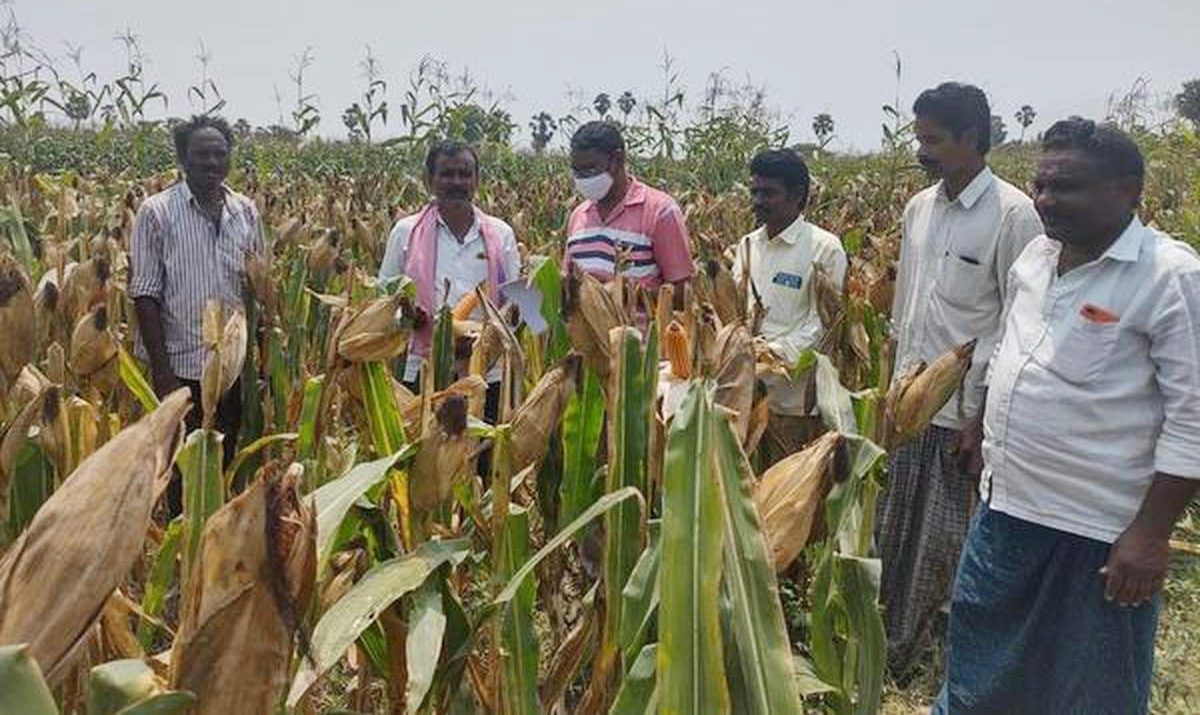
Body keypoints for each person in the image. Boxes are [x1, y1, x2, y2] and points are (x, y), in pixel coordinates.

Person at [934, 118, 1200, 714]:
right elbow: (1014, 347)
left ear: (1129, 191)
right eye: (1042, 185)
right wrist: (979, 420)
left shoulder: (1170, 276)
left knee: (1088, 690)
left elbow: (1193, 419)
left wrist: (1150, 535)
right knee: (979, 671)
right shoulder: (1035, 257)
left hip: (1096, 532)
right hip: (1005, 511)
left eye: (1067, 187)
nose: (1047, 200)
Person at [876, 82, 1043, 676]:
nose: (921, 151)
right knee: (890, 528)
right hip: (907, 401)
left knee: (939, 540)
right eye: (919, 138)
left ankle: (914, 651)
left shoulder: (1015, 215)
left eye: (933, 140)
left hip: (962, 411)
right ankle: (882, 640)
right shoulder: (918, 209)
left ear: (971, 137)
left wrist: (982, 417)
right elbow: (905, 307)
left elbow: (1021, 322)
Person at [130, 115, 261, 490]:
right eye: (201, 155)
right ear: (183, 159)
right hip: (182, 368)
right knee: (180, 477)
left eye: (219, 154)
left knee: (225, 465)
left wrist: (260, 361)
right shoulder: (157, 212)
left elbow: (256, 288)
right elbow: (145, 294)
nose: (211, 162)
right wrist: (162, 373)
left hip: (233, 368)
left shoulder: (245, 212)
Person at [378, 139, 521, 401]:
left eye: (464, 174)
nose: (456, 182)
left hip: (487, 374)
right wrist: (409, 317)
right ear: (429, 180)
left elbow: (516, 308)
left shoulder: (502, 235)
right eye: (446, 174)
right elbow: (383, 301)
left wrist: (485, 336)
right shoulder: (405, 233)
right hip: (420, 370)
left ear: (477, 180)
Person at [730, 148, 847, 365]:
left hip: (793, 378)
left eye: (768, 193)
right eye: (754, 192)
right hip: (742, 371)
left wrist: (770, 353)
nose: (757, 201)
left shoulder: (824, 249)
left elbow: (823, 325)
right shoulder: (747, 245)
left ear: (797, 195)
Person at [565, 121, 693, 293]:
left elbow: (683, 292)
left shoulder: (660, 211)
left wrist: (626, 293)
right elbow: (568, 282)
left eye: (591, 169)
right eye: (577, 171)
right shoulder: (578, 215)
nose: (584, 178)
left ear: (617, 160)